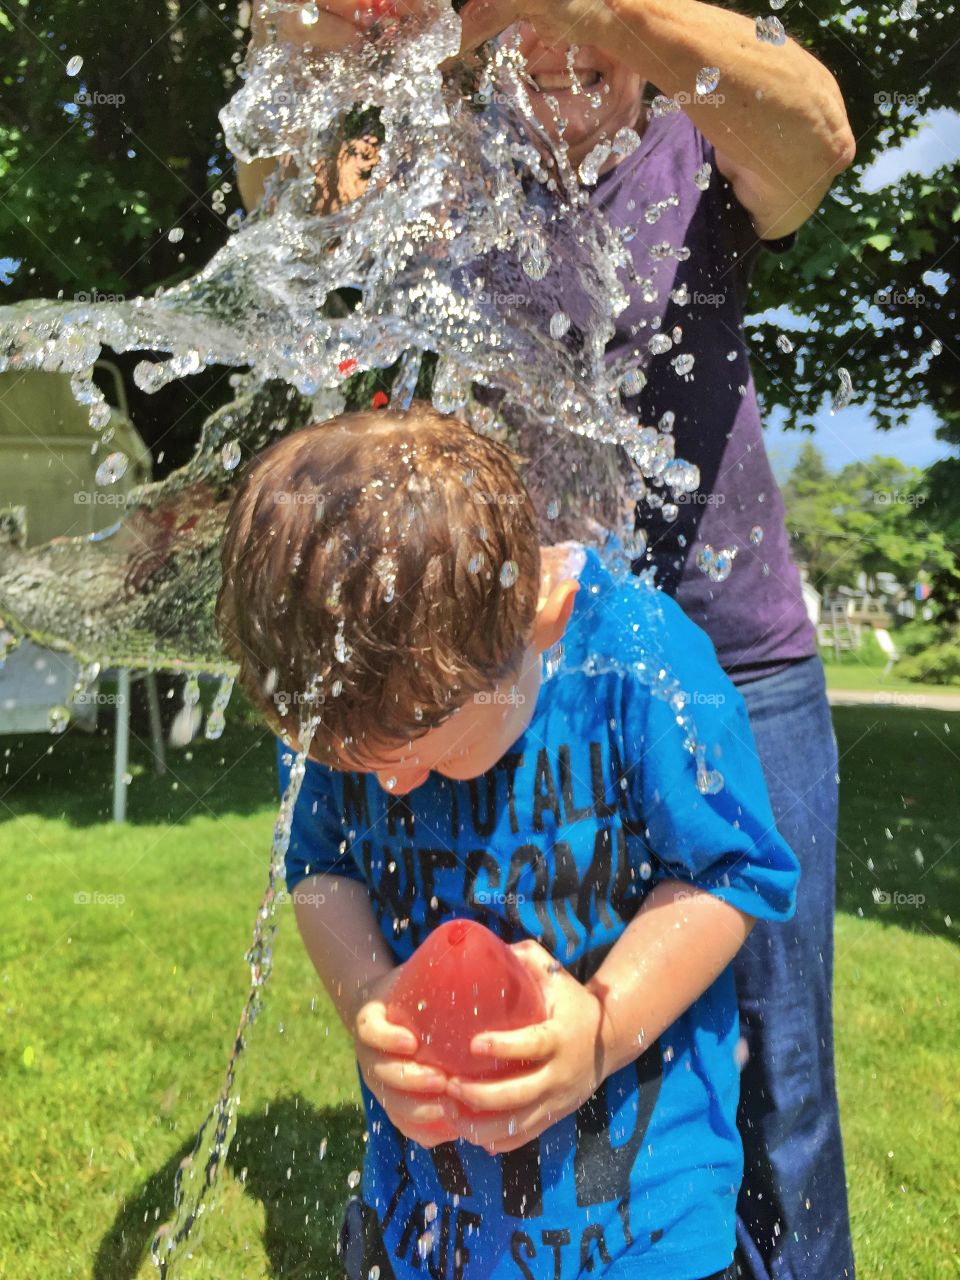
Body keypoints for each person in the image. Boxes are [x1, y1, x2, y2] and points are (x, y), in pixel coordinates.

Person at [236, 6, 858, 1277]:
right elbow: (279, 202)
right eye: (527, 22)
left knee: (778, 1072)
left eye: (592, 28)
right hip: (480, 680)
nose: (567, 51)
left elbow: (818, 143)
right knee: (493, 990)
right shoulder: (440, 163)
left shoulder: (703, 128)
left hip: (729, 647)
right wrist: (305, 27)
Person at [215, 402, 801, 1280]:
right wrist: (367, 996)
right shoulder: (348, 685)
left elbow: (732, 870)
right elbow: (322, 867)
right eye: (347, 762)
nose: (389, 787)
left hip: (646, 1229)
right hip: (422, 1224)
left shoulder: (638, 662)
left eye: (423, 754)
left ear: (538, 623)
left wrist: (601, 1031)